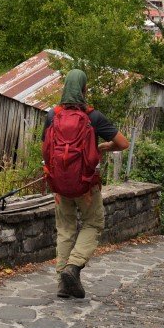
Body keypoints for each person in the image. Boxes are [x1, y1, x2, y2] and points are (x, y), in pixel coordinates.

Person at [42, 69, 130, 299]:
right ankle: (74, 266)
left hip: (60, 184)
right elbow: (123, 143)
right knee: (93, 223)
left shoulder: (52, 115)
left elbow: (47, 152)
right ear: (83, 89)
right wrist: (104, 147)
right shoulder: (93, 117)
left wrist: (54, 183)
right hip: (86, 185)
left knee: (65, 230)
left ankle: (63, 283)